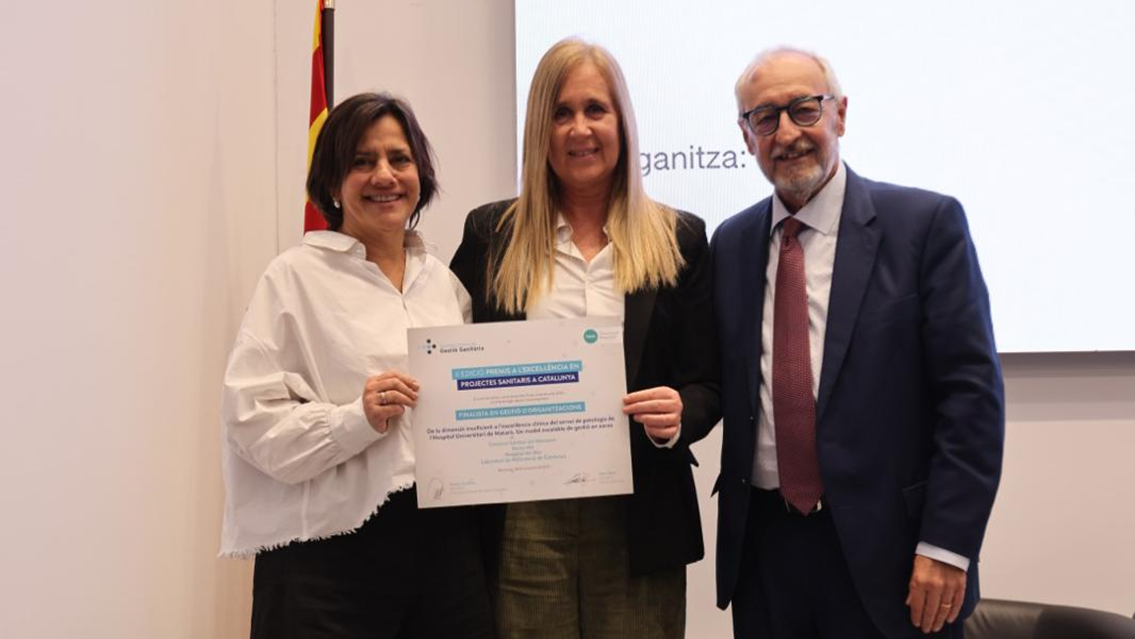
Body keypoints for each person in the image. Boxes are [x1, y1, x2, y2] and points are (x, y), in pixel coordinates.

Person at [711, 48, 1005, 638]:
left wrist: (947, 545)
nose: (786, 133)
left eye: (804, 109)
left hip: (894, 557)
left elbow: (971, 400)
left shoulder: (925, 226)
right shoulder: (731, 243)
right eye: (765, 118)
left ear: (839, 115)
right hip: (765, 555)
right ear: (746, 136)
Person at [450, 38, 720, 639]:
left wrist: (680, 412)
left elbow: (708, 381)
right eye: (561, 113)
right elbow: (452, 364)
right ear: (539, 131)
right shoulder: (491, 234)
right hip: (523, 517)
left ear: (622, 122)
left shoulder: (679, 238)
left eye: (596, 109)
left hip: (640, 514)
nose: (580, 129)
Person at [219, 92, 493, 639]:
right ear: (332, 180)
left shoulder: (442, 283)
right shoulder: (294, 278)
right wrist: (356, 418)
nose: (384, 175)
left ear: (421, 174)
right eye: (362, 161)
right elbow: (250, 422)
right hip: (329, 560)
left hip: (444, 549)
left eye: (399, 159)